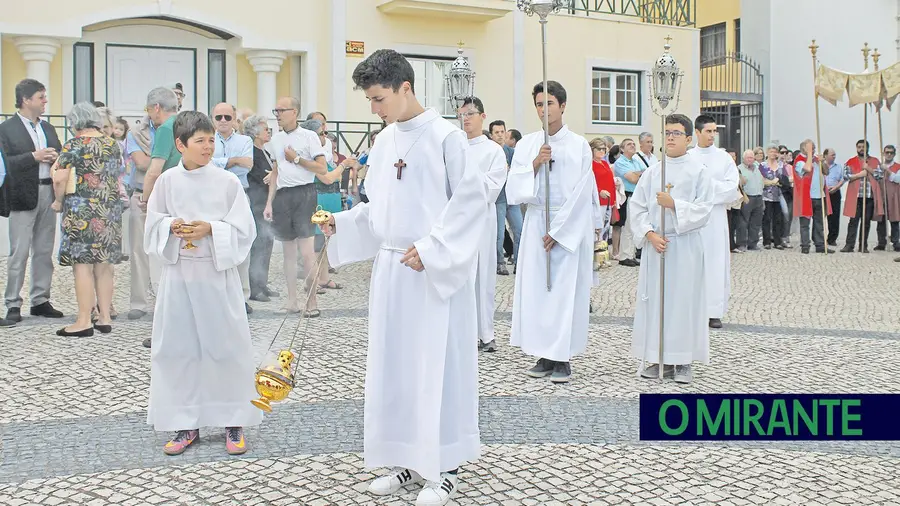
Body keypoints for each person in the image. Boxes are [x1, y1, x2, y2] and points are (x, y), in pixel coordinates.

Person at [319, 49, 485, 506]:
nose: (374, 109)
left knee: (437, 369)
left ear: (405, 88)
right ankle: (408, 459)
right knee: (397, 369)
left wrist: (432, 250)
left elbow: (469, 206)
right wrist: (345, 224)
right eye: (370, 100)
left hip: (433, 275)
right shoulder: (386, 141)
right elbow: (381, 208)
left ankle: (445, 468)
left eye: (378, 99)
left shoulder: (447, 139)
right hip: (393, 271)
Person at [144, 111, 261, 457]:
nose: (208, 147)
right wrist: (172, 227)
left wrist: (211, 228)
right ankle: (185, 422)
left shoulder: (226, 182)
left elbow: (245, 229)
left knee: (225, 346)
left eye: (212, 140)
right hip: (179, 275)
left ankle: (233, 419)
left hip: (214, 274)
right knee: (179, 348)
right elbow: (152, 224)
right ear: (180, 145)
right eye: (200, 141)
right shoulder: (167, 182)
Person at [507, 80, 598, 384]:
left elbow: (583, 193)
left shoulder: (579, 145)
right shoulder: (527, 144)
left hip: (568, 226)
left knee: (564, 294)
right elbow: (515, 187)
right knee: (539, 293)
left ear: (562, 105)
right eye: (538, 104)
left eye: (548, 103)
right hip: (536, 222)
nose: (542, 110)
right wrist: (535, 162)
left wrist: (560, 231)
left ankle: (563, 358)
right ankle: (543, 353)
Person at [630, 113, 716, 384]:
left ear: (689, 139)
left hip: (685, 245)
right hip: (658, 246)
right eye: (666, 132)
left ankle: (682, 360)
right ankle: (657, 357)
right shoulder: (653, 171)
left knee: (683, 301)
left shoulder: (698, 171)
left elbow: (704, 210)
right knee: (656, 300)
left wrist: (675, 205)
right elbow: (638, 207)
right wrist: (650, 233)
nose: (669, 137)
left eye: (676, 133)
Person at [49, 102, 124, 336]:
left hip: (82, 211)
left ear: (76, 123)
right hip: (109, 211)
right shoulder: (112, 145)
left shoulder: (74, 144)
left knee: (82, 266)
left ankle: (83, 320)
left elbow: (60, 178)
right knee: (104, 265)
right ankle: (104, 317)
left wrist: (58, 201)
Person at [0, 79, 65, 323]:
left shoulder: (48, 128)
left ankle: (40, 300)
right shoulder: (6, 129)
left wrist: (54, 156)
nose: (45, 101)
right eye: (41, 97)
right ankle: (13, 304)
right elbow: (6, 163)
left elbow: (60, 152)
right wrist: (34, 156)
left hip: (48, 193)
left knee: (44, 249)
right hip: (22, 195)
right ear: (26, 100)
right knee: (19, 252)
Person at [265, 96, 329, 316]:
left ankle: (312, 302)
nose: (278, 115)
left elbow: (321, 168)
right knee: (288, 253)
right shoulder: (275, 140)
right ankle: (292, 301)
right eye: (276, 111)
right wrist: (269, 202)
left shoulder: (309, 137)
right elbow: (275, 172)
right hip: (283, 196)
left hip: (305, 194)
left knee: (307, 252)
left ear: (295, 112)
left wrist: (296, 159)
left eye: (282, 110)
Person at [459, 97, 507, 353]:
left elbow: (492, 187)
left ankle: (485, 332)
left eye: (471, 113)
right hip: (455, 218)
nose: (466, 118)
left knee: (483, 274)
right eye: (462, 114)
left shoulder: (492, 151)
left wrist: (465, 181)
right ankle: (461, 329)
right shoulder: (455, 147)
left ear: (483, 116)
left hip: (481, 217)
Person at [691, 115, 740, 329]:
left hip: (716, 217)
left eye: (714, 131)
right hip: (692, 217)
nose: (712, 135)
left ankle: (714, 310)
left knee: (716, 262)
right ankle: (692, 307)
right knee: (692, 262)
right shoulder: (688, 156)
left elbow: (731, 187)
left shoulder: (724, 158)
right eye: (708, 131)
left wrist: (706, 191)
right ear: (697, 132)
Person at [243, 115, 279, 302]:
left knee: (267, 242)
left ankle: (262, 283)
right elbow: (256, 175)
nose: (269, 132)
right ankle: (254, 286)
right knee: (258, 243)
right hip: (257, 201)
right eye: (266, 129)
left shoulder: (264, 150)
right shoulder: (251, 151)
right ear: (255, 133)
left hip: (267, 201)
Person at [841, 140, 884, 253]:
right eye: (859, 147)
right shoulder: (851, 161)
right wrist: (859, 175)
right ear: (856, 148)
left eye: (863, 147)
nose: (861, 149)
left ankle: (863, 246)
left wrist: (868, 168)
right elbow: (846, 176)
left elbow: (880, 176)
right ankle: (849, 245)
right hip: (856, 196)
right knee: (853, 221)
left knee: (866, 222)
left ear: (867, 148)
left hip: (869, 196)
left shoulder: (874, 161)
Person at [793, 139, 833, 254]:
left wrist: (823, 162)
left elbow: (826, 172)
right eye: (811, 147)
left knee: (819, 222)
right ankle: (805, 245)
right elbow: (807, 168)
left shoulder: (815, 160)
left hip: (819, 195)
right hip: (806, 196)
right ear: (804, 148)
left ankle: (820, 244)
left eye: (814, 148)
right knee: (805, 223)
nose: (814, 149)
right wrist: (810, 155)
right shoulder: (799, 160)